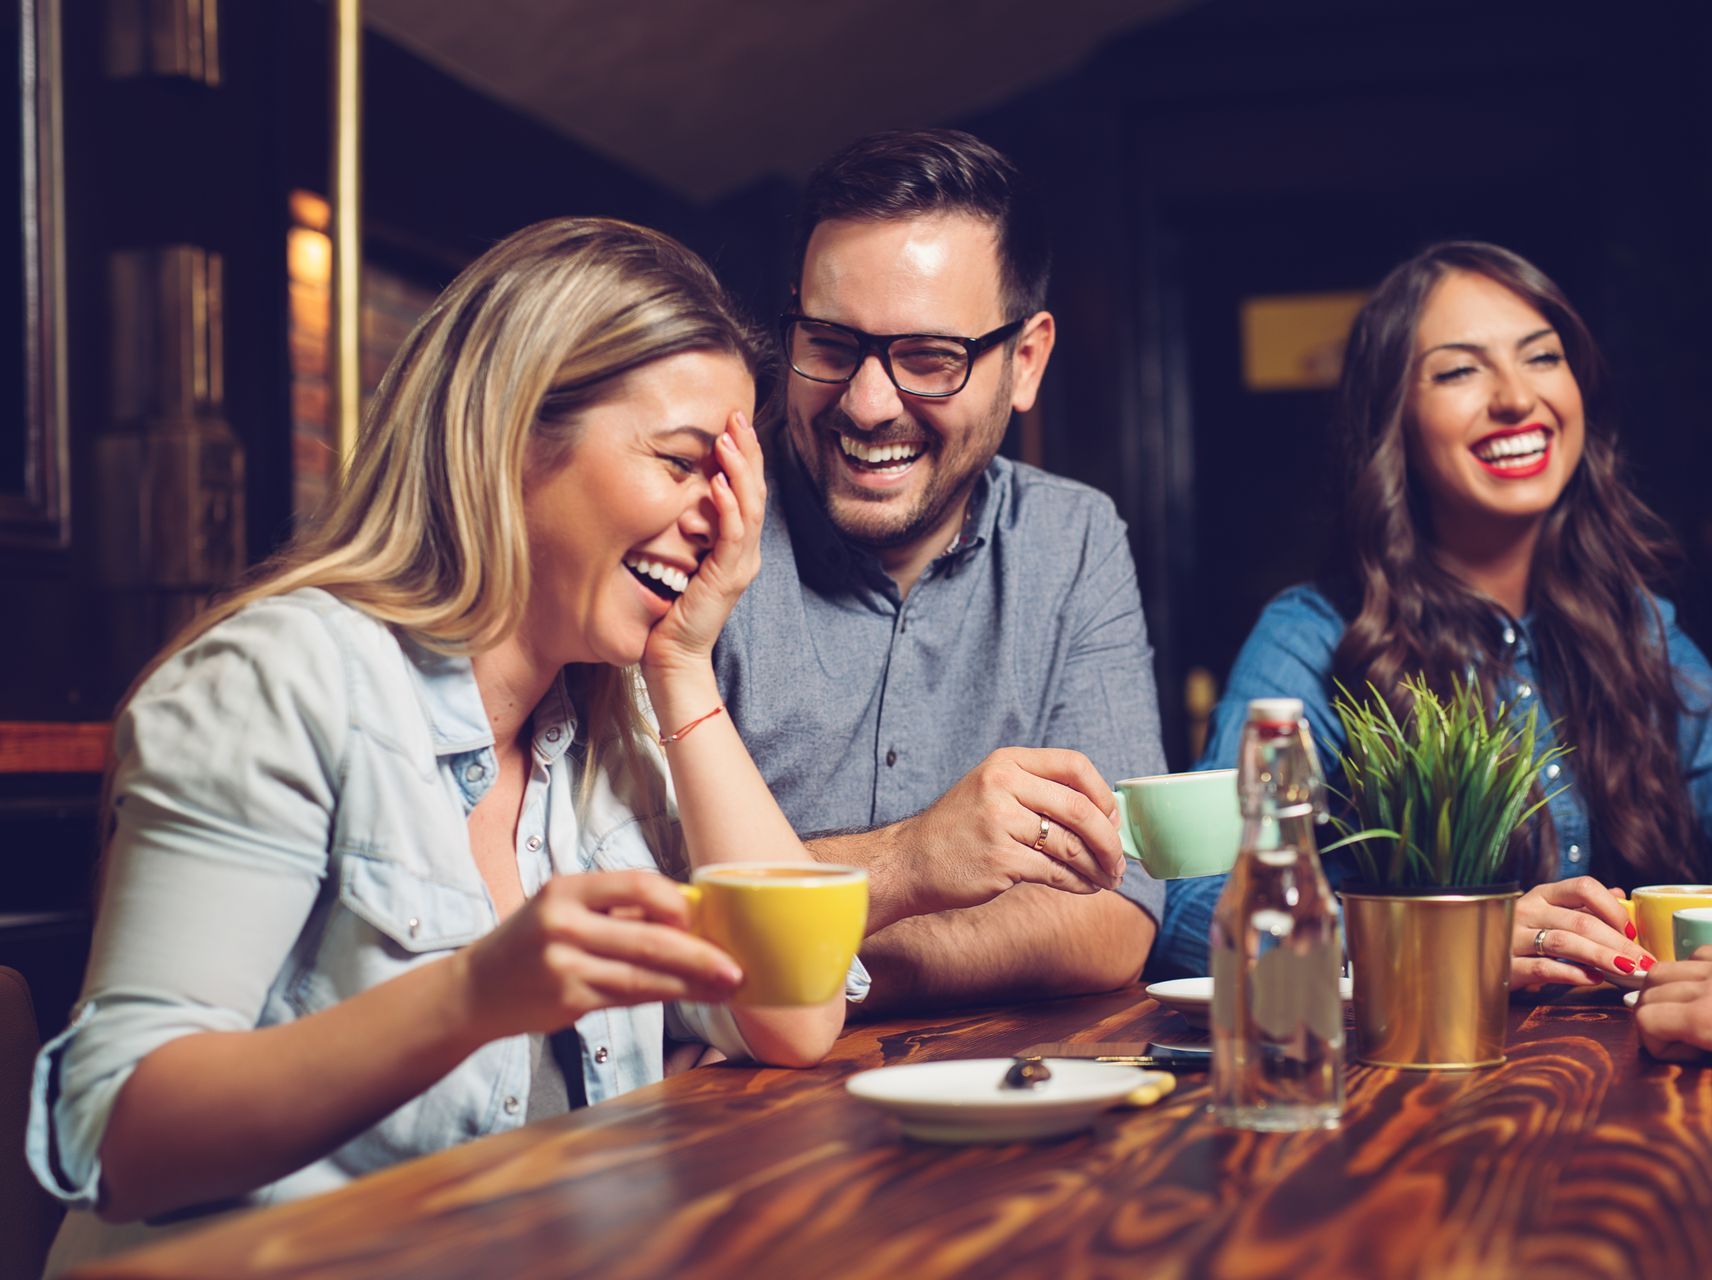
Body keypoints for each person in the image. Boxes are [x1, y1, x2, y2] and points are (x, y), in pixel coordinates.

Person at [27, 218, 842, 1270]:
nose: (721, 524)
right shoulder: (279, 680)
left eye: (733, 483)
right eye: (685, 464)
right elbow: (123, 1136)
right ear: (514, 437)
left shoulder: (614, 725)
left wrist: (684, 670)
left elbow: (794, 1011)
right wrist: (470, 995)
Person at [1156, 240, 1712, 987]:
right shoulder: (1314, 638)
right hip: (1414, 1087)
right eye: (1458, 370)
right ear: (1395, 424)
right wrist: (1451, 940)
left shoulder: (1643, 629)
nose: (1517, 397)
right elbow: (1195, 917)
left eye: (1542, 357)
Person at [713, 128, 1167, 1013]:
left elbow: (1117, 913)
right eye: (831, 344)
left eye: (929, 358)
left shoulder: (1073, 540)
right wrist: (915, 861)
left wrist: (793, 952)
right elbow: (635, 911)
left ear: (1024, 361)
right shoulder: (695, 523)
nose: (867, 403)